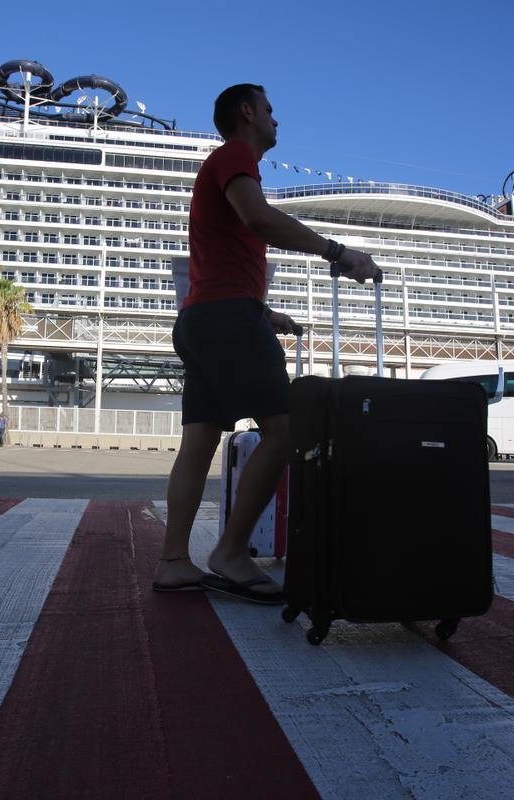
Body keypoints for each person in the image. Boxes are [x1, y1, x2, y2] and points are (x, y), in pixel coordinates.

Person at [154, 84, 379, 602]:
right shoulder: (235, 155)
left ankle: (173, 562)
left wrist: (264, 313)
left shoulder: (224, 165)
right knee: (286, 428)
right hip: (226, 318)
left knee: (200, 442)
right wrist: (338, 252)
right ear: (248, 112)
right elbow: (260, 219)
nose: (278, 121)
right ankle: (231, 552)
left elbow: (224, 260)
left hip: (202, 319)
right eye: (271, 111)